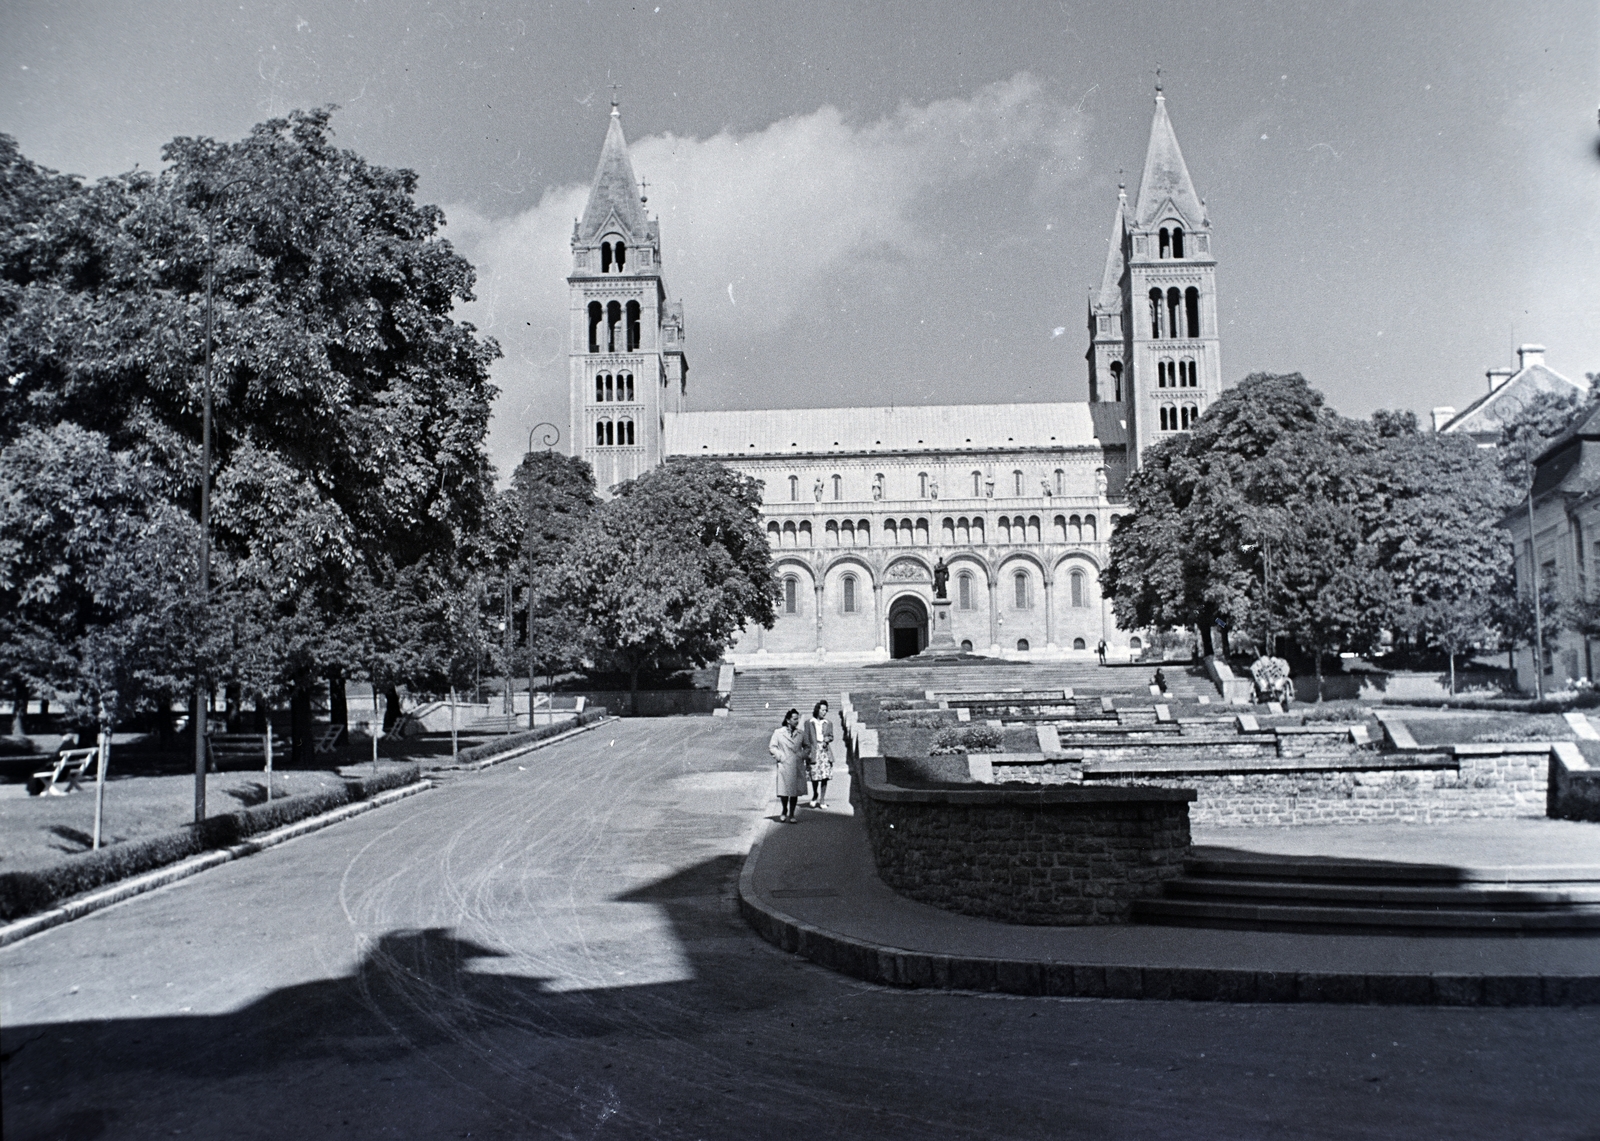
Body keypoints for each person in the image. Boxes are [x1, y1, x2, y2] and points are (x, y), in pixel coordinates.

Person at [768, 708, 807, 822]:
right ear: (788, 720)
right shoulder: (778, 733)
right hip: (784, 766)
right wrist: (780, 756)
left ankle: (792, 814)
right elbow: (772, 747)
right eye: (795, 719)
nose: (797, 721)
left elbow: (807, 747)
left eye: (798, 719)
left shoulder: (801, 734)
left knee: (794, 792)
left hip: (797, 765)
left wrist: (802, 755)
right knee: (784, 791)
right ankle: (784, 809)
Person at [802, 699, 836, 809]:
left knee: (825, 777)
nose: (824, 712)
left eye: (826, 710)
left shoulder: (828, 723)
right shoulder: (809, 723)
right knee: (815, 776)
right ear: (817, 710)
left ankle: (822, 799)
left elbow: (831, 736)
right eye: (822, 710)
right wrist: (806, 754)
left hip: (825, 751)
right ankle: (815, 794)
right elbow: (806, 739)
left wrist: (827, 739)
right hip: (814, 751)